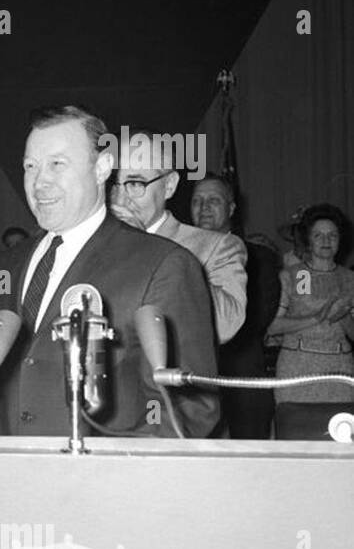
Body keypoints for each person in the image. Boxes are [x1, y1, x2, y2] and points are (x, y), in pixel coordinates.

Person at [0, 108, 218, 438]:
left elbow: (190, 409)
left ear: (101, 168)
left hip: (103, 482)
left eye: (57, 164)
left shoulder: (163, 264)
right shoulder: (7, 264)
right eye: (30, 166)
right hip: (6, 478)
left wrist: (115, 479)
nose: (39, 181)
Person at [109, 132, 246, 343]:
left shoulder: (216, 246)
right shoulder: (102, 243)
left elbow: (225, 326)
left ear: (169, 185)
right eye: (115, 185)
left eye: (135, 183)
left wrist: (148, 248)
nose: (121, 199)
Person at [189, 175, 281, 438]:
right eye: (197, 200)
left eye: (213, 200)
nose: (204, 207)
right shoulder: (174, 254)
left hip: (240, 381)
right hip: (193, 385)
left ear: (231, 209)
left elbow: (257, 318)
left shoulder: (258, 258)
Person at [267, 203, 354, 437]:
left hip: (340, 371)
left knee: (340, 437)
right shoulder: (294, 276)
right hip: (298, 367)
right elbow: (273, 326)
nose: (326, 241)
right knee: (296, 436)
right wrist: (317, 317)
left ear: (340, 240)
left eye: (332, 235)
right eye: (318, 235)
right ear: (308, 240)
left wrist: (342, 315)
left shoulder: (349, 278)